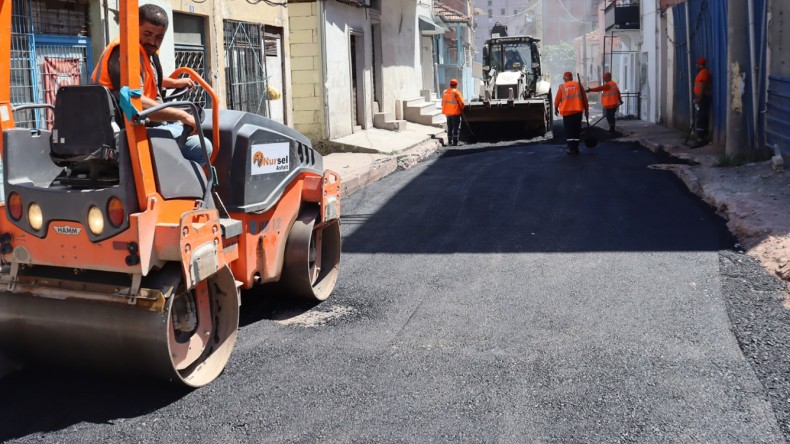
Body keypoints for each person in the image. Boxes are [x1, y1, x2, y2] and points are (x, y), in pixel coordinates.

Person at [91, 4, 212, 165]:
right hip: (129, 130)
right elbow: (137, 103)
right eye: (148, 34)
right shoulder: (125, 54)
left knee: (187, 124)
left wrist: (174, 83)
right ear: (134, 28)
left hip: (138, 124)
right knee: (203, 146)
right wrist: (183, 116)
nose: (153, 41)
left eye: (159, 37)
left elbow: (148, 79)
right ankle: (175, 188)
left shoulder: (144, 53)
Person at [554, 72, 589, 155]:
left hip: (567, 113)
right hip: (577, 112)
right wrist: (586, 110)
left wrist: (556, 109)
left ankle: (571, 148)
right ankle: (576, 148)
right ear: (571, 78)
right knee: (576, 130)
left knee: (569, 131)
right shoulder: (579, 85)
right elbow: (585, 99)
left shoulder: (562, 87)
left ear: (565, 79)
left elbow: (557, 100)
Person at [693, 56, 712, 145]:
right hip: (700, 97)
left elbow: (703, 85)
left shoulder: (704, 73)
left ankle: (702, 138)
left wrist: (700, 97)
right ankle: (701, 137)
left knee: (701, 118)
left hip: (703, 97)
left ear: (701, 65)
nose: (697, 65)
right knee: (700, 117)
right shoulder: (701, 73)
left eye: (698, 64)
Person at [442, 78, 465, 146]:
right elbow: (462, 103)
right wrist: (462, 109)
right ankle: (455, 142)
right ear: (456, 85)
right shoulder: (456, 92)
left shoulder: (445, 92)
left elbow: (442, 103)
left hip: (448, 114)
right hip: (455, 113)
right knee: (456, 128)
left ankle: (449, 141)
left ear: (450, 84)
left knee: (450, 127)